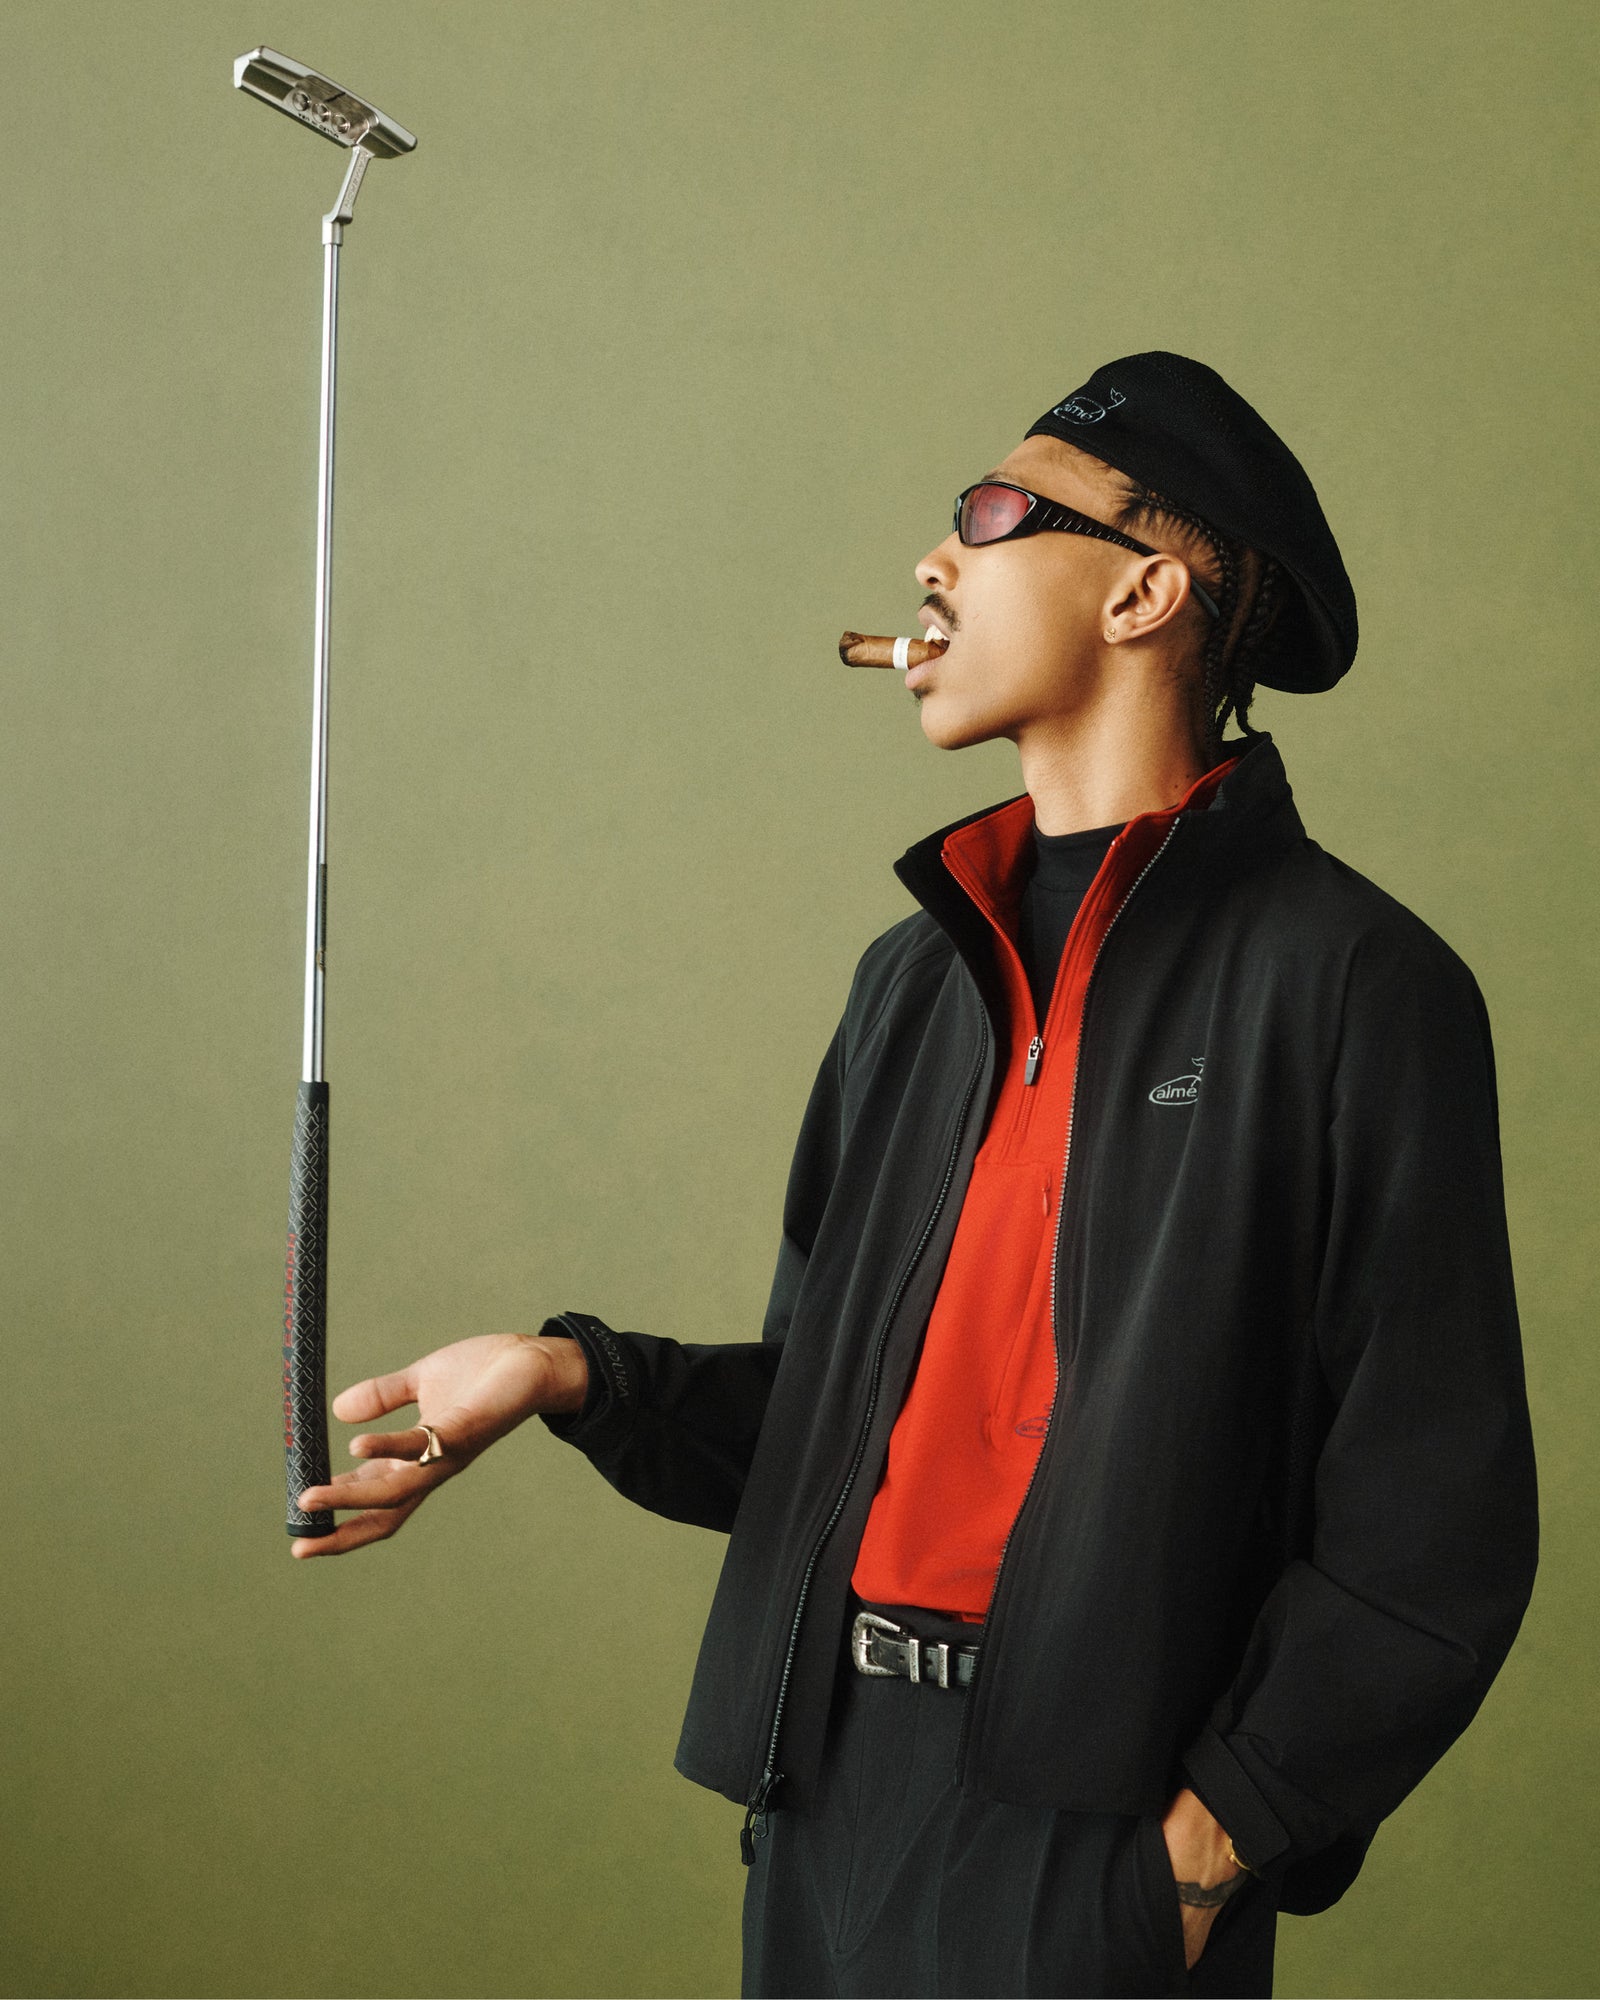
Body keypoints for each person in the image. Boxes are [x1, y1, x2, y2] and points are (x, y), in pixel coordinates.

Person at [293, 352, 1540, 1999]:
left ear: (1145, 594)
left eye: (995, 514)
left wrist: (1202, 1857)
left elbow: (1433, 1523)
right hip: (829, 1801)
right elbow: (825, 1421)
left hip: (1100, 1843)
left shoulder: (1357, 987)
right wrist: (565, 1375)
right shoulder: (913, 981)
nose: (933, 561)